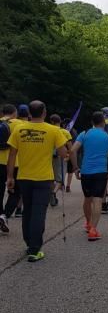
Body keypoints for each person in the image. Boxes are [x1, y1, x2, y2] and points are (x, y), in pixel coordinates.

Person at [6, 100, 68, 262]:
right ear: (44, 112)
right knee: (38, 213)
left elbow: (12, 155)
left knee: (27, 211)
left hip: (23, 178)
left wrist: (10, 177)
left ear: (29, 113)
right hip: (43, 178)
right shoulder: (53, 130)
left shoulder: (19, 129)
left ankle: (29, 243)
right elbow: (63, 154)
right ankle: (35, 249)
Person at [70, 111, 108, 241]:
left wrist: (75, 168)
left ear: (92, 122)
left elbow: (73, 151)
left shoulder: (84, 134)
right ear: (103, 121)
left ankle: (88, 223)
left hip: (86, 171)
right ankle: (93, 230)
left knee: (87, 198)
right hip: (101, 172)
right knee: (97, 199)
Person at [0, 104, 22, 234]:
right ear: (15, 113)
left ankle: (0, 214)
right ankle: (5, 215)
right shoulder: (20, 124)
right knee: (16, 192)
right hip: (14, 163)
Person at [49, 114, 72, 206]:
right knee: (60, 178)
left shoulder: (49, 130)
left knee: (51, 177)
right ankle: (53, 193)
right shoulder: (65, 132)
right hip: (61, 157)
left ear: (52, 122)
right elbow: (70, 146)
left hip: (49, 156)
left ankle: (51, 192)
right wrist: (69, 156)